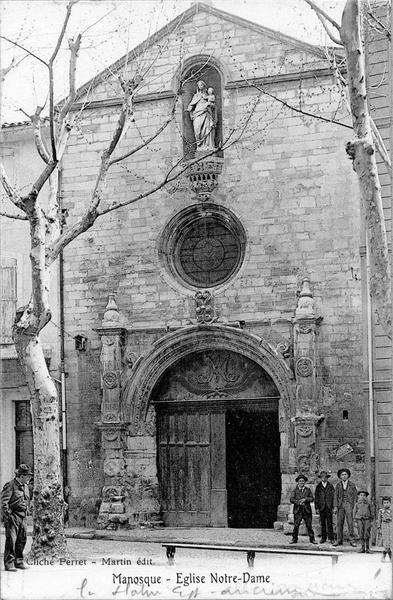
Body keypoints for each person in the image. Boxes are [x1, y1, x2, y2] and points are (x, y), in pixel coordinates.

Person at [1, 464, 32, 571]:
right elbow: (4, 503)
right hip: (13, 516)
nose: (29, 478)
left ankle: (18, 561)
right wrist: (8, 515)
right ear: (21, 476)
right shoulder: (10, 485)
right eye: (28, 476)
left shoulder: (26, 486)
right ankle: (9, 563)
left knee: (22, 539)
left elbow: (26, 500)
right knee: (11, 540)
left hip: (22, 516)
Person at [186, 80, 216, 151]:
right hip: (197, 113)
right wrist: (189, 109)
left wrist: (209, 105)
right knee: (197, 129)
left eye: (201, 85)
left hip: (206, 113)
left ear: (204, 86)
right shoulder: (196, 96)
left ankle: (207, 145)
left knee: (206, 129)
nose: (200, 87)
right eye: (199, 85)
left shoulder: (208, 96)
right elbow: (191, 104)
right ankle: (199, 144)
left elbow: (213, 105)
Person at [333, 468, 357, 547]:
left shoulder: (352, 485)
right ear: (340, 476)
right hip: (340, 505)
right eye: (342, 475)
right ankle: (339, 540)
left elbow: (355, 496)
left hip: (349, 505)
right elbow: (335, 496)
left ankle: (352, 540)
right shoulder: (338, 485)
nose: (344, 476)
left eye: (345, 474)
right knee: (339, 523)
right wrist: (335, 506)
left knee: (350, 523)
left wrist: (354, 506)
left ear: (348, 476)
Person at [289, 474, 317, 545]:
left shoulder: (308, 490)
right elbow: (291, 499)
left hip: (306, 510)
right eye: (300, 481)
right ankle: (294, 539)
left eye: (303, 481)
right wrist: (298, 502)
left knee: (309, 525)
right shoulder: (295, 490)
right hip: (298, 510)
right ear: (298, 482)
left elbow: (312, 498)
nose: (301, 482)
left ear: (305, 482)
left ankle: (312, 539)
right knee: (296, 525)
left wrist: (305, 499)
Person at [314, 470, 335, 544]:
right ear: (320, 478)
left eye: (325, 477)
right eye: (322, 477)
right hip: (321, 507)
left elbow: (333, 496)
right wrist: (316, 507)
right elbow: (316, 497)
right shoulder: (318, 486)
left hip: (328, 507)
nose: (323, 478)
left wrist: (333, 506)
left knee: (329, 523)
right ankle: (323, 538)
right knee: (322, 523)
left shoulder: (330, 486)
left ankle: (331, 538)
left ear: (327, 478)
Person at [377, 496, 392, 562]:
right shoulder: (381, 511)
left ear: (390, 503)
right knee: (386, 542)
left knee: (390, 541)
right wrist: (379, 527)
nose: (386, 504)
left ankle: (388, 555)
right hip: (384, 526)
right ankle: (385, 556)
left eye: (387, 502)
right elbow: (379, 520)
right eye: (384, 503)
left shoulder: (391, 511)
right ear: (382, 504)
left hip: (391, 526)